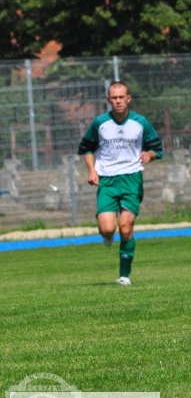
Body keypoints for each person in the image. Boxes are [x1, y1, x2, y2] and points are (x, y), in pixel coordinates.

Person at [78, 81, 163, 285]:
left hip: (132, 179)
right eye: (114, 98)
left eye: (121, 97)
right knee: (108, 229)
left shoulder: (140, 122)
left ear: (128, 98)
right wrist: (91, 170)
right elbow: (86, 148)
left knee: (125, 228)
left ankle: (124, 276)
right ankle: (107, 235)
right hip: (107, 180)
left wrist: (149, 155)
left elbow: (157, 150)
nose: (118, 101)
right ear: (108, 100)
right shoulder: (100, 123)